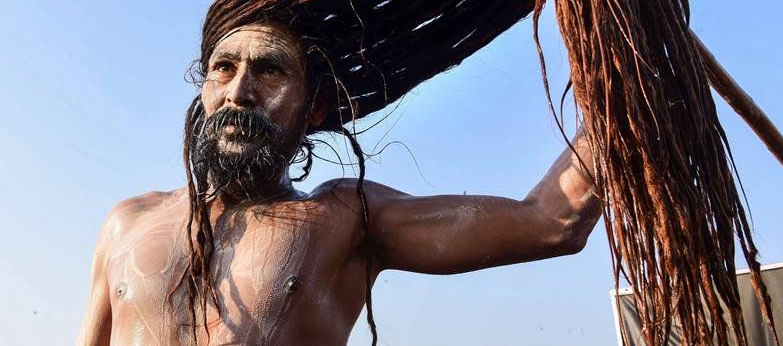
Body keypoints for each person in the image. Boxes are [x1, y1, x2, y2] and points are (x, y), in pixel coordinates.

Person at [76, 20, 602, 345]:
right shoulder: (128, 223)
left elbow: (550, 221)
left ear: (316, 107)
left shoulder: (343, 218)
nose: (240, 91)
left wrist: (631, 93)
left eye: (270, 72)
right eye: (223, 68)